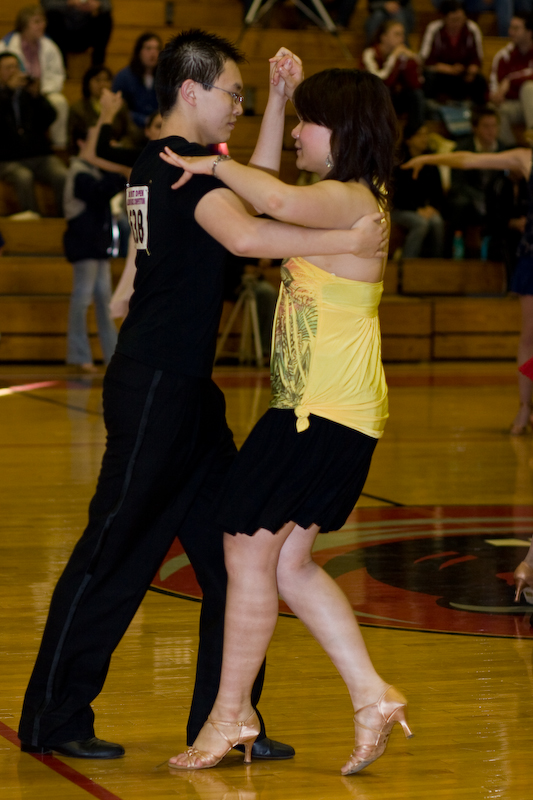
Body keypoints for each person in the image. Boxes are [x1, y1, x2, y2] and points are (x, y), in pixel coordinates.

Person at [17, 29, 387, 761]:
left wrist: (276, 101)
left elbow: (253, 187)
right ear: (191, 91)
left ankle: (229, 717)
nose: (239, 109)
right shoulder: (178, 169)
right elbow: (251, 233)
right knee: (115, 554)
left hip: (188, 391)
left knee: (234, 557)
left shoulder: (173, 164)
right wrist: (352, 242)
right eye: (234, 95)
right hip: (156, 387)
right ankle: (53, 719)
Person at [160, 59, 413, 776]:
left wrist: (209, 162)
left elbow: (266, 196)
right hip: (333, 408)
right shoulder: (350, 198)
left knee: (245, 549)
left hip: (318, 411)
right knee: (289, 565)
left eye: (308, 120)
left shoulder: (348, 196)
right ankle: (370, 696)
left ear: (343, 129)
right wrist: (272, 103)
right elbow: (269, 204)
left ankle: (229, 714)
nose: (299, 133)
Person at [402, 144, 533, 437]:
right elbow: (470, 160)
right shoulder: (526, 158)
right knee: (529, 335)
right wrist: (431, 157)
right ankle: (525, 406)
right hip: (532, 256)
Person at [64, 124, 126, 373]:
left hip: (98, 245)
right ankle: (79, 355)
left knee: (104, 300)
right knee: (82, 298)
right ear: (81, 143)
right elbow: (100, 193)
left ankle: (113, 356)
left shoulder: (93, 170)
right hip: (84, 245)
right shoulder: (79, 171)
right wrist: (120, 170)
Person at [0, 51, 67, 216]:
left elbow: (50, 117)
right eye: (8, 68)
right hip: (8, 158)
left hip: (38, 155)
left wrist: (37, 96)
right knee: (24, 177)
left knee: (62, 175)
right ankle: (32, 220)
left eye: (16, 67)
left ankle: (63, 219)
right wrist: (8, 91)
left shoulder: (27, 94)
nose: (13, 71)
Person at [0, 4, 68, 149]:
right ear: (24, 24)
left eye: (43, 21)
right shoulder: (6, 45)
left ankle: (59, 145)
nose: (42, 25)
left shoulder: (49, 46)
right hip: (10, 92)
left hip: (39, 92)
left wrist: (40, 90)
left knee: (59, 102)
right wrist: (10, 87)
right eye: (37, 22)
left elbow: (58, 75)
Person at [447, 107, 507, 257]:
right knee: (459, 203)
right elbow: (457, 184)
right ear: (475, 128)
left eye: (494, 126)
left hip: (495, 201)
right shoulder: (462, 149)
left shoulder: (504, 150)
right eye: (486, 126)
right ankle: (455, 249)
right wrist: (478, 198)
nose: (491, 131)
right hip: (469, 200)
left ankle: (498, 253)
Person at [391, 123, 446, 257]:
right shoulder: (398, 160)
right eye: (420, 135)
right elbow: (397, 195)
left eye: (426, 135)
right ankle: (408, 262)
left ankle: (436, 262)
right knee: (420, 223)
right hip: (400, 209)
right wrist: (416, 209)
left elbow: (438, 191)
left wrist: (432, 207)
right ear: (409, 139)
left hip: (424, 208)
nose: (424, 139)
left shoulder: (430, 160)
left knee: (437, 222)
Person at [362, 20, 424, 135]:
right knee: (385, 91)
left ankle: (413, 134)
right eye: (397, 34)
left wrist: (411, 60)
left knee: (416, 94)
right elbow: (380, 82)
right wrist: (394, 57)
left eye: (402, 34)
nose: (401, 38)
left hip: (394, 99)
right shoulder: (370, 53)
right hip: (373, 101)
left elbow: (415, 83)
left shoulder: (401, 55)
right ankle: (380, 132)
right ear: (383, 37)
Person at [419, 0, 487, 107]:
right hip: (441, 74)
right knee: (428, 77)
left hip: (463, 74)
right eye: (453, 20)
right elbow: (426, 61)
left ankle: (477, 109)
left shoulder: (472, 28)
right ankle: (429, 107)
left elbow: (477, 59)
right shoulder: (434, 29)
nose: (457, 23)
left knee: (479, 80)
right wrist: (450, 69)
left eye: (460, 19)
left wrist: (472, 69)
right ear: (444, 18)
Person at [68, 65, 137, 155]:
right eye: (97, 80)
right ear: (88, 83)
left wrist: (120, 145)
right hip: (87, 154)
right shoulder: (77, 109)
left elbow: (130, 133)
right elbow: (72, 139)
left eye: (106, 80)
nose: (102, 84)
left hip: (117, 153)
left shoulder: (120, 105)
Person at [489, 13, 533, 146]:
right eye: (510, 28)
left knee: (529, 88)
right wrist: (495, 96)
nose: (510, 32)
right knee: (498, 110)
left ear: (529, 32)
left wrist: (510, 79)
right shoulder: (503, 56)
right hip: (516, 105)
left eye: (516, 28)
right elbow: (494, 87)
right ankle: (510, 150)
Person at [112, 32, 162, 132]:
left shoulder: (166, 77)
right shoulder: (124, 76)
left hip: (159, 128)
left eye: (157, 49)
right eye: (148, 48)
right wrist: (144, 120)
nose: (153, 53)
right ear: (139, 51)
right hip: (131, 129)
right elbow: (118, 108)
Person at [41, 0, 113, 67]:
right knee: (52, 16)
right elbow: (46, 4)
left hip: (86, 32)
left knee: (105, 18)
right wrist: (70, 3)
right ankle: (61, 66)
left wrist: (97, 5)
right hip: (62, 33)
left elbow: (108, 6)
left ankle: (97, 67)